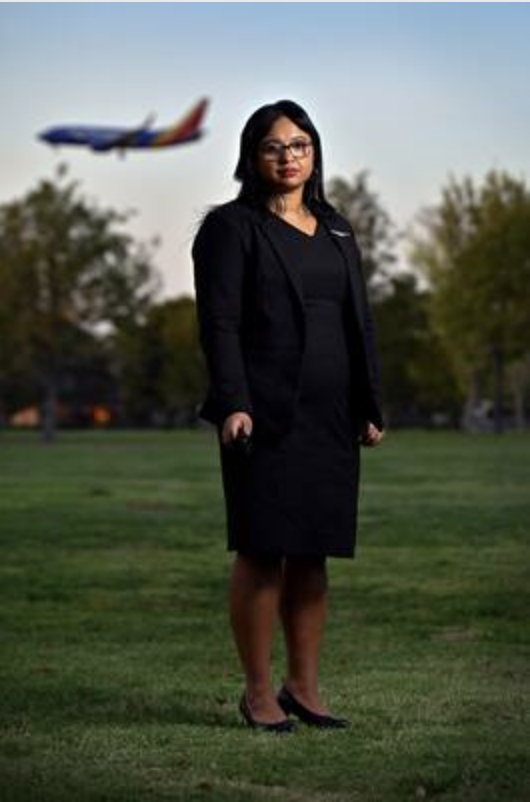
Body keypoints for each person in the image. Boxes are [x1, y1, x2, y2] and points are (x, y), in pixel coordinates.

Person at [192, 99, 384, 734]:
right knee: (262, 550)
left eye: (300, 145)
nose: (289, 157)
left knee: (313, 554)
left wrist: (369, 404)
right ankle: (257, 694)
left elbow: (360, 322)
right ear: (252, 157)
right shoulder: (231, 228)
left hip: (331, 417)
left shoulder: (337, 228)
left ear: (314, 153)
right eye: (274, 147)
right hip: (263, 417)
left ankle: (303, 688)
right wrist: (233, 402)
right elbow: (219, 324)